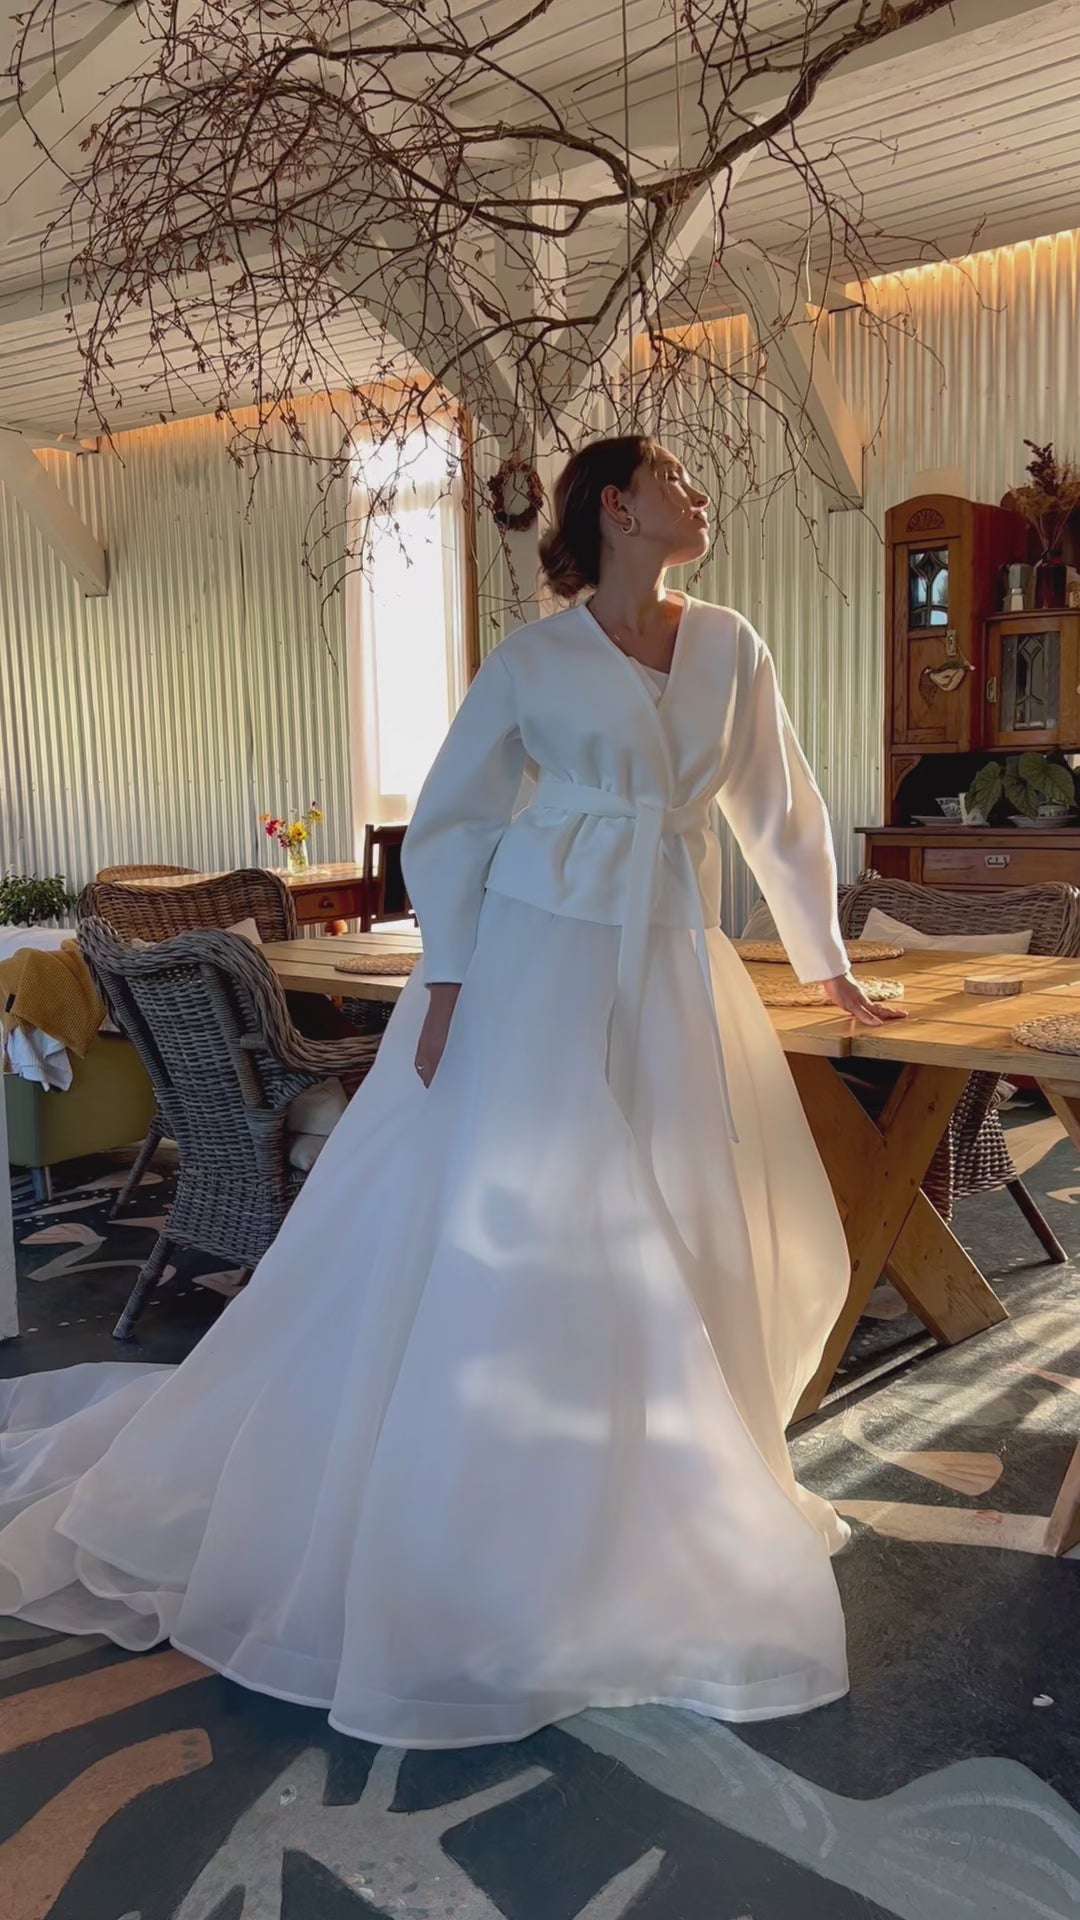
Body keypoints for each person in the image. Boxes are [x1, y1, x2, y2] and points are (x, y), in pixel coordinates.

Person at [0, 435, 904, 1750]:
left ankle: (654, 1476)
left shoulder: (731, 647)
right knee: (531, 1214)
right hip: (538, 956)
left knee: (677, 1201)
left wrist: (825, 958)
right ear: (617, 506)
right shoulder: (534, 661)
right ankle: (503, 1489)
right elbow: (453, 822)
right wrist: (453, 980)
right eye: (677, 477)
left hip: (668, 959)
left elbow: (782, 806)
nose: (702, 492)